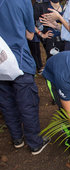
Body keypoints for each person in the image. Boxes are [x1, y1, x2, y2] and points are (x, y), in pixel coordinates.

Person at [0, 0, 50, 155]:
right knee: (28, 102)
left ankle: (17, 138)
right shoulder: (21, 1)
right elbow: (30, 34)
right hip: (19, 61)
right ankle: (35, 143)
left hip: (1, 63)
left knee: (7, 102)